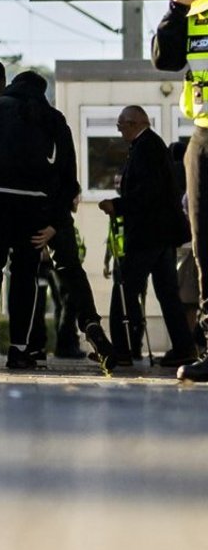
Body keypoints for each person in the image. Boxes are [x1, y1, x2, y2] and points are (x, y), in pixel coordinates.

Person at [0, 63, 114, 369]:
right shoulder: (55, 119)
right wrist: (55, 219)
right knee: (26, 273)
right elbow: (68, 176)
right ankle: (20, 349)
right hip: (37, 205)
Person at [151, 0, 208, 382]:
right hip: (204, 137)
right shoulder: (195, 6)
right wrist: (175, 9)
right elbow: (165, 60)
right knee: (204, 245)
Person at [98, 107, 195, 366]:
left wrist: (117, 206)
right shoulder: (150, 146)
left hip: (147, 234)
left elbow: (146, 193)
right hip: (161, 234)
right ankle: (184, 348)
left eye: (120, 126)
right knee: (167, 293)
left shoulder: (145, 148)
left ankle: (122, 349)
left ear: (133, 123)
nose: (119, 131)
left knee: (125, 288)